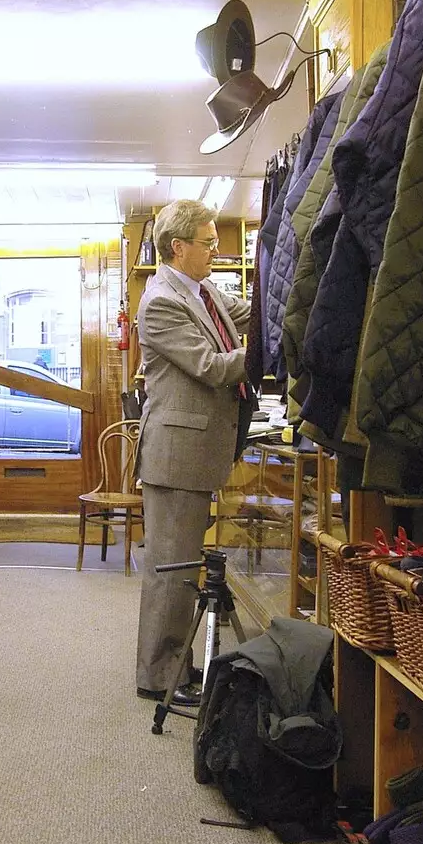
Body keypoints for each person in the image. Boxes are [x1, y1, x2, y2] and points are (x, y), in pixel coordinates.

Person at [134, 199, 250, 705]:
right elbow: (213, 367)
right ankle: (160, 677)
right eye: (208, 242)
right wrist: (268, 351)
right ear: (177, 248)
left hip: (195, 452)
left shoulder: (202, 292)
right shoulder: (161, 301)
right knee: (172, 570)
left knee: (181, 568)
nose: (216, 250)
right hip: (176, 454)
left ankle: (178, 667)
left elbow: (250, 313)